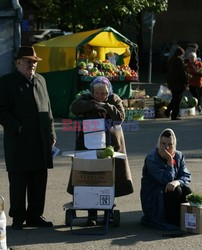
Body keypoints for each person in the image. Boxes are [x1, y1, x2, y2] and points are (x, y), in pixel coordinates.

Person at [0, 46, 56, 230]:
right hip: (19, 140)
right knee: (18, 181)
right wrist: (18, 126)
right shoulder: (7, 82)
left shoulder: (41, 80)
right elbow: (2, 111)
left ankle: (35, 215)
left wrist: (52, 133)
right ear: (18, 62)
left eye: (34, 62)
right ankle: (18, 217)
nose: (32, 65)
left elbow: (48, 110)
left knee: (39, 180)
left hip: (40, 139)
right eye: (28, 61)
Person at [67, 76, 134, 226]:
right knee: (90, 178)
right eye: (97, 93)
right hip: (89, 144)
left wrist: (105, 106)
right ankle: (91, 215)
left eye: (103, 93)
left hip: (111, 145)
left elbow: (120, 117)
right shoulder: (86, 97)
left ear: (108, 91)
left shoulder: (114, 98)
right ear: (92, 91)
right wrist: (93, 104)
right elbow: (74, 108)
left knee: (109, 177)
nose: (100, 96)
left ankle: (107, 211)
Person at [140, 128, 192, 230]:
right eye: (163, 144)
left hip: (168, 193)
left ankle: (181, 218)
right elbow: (166, 180)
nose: (166, 147)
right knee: (175, 190)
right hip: (154, 197)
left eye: (170, 144)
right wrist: (169, 161)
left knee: (186, 190)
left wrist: (177, 182)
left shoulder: (179, 156)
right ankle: (171, 220)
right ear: (159, 143)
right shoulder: (152, 158)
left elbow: (186, 176)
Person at [165, 47, 188, 120]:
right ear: (181, 54)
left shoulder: (171, 60)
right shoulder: (179, 60)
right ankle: (174, 115)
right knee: (177, 100)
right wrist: (186, 82)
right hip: (179, 83)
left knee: (174, 98)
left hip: (172, 83)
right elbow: (182, 73)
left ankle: (167, 111)